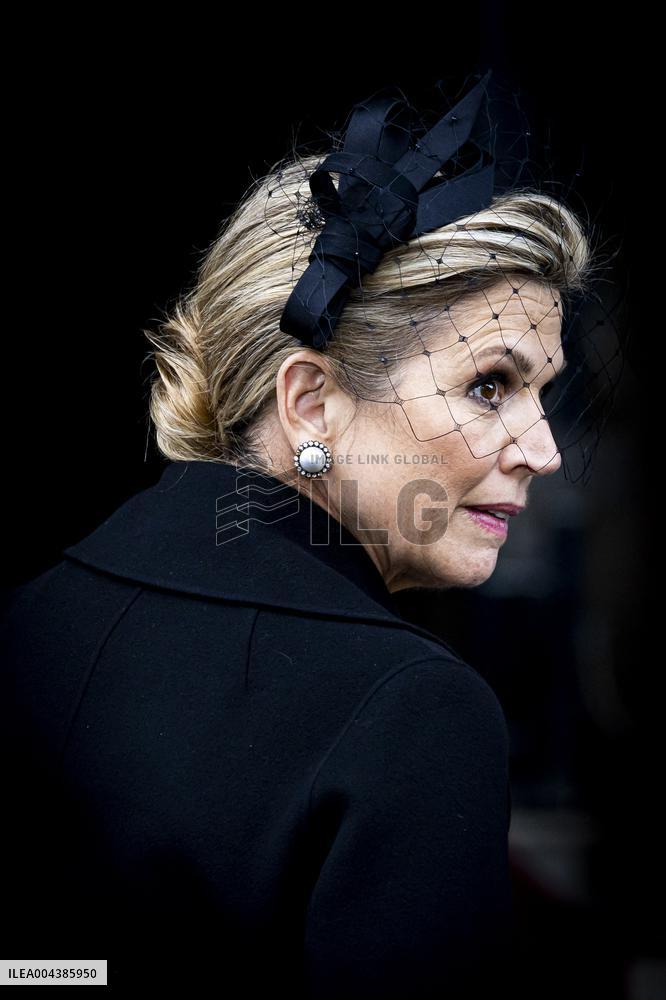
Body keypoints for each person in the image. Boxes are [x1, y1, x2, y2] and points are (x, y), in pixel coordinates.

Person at [0, 71, 596, 996]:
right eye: (490, 385)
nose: (544, 450)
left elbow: (41, 973)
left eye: (543, 392)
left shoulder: (34, 616)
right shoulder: (414, 713)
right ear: (310, 401)